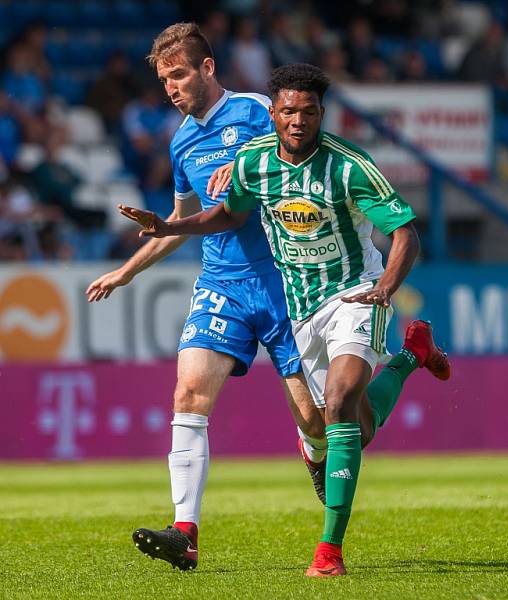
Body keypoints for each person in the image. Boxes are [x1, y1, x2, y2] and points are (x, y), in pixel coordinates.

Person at [119, 63, 451, 577]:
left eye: (310, 111)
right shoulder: (254, 162)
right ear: (274, 114)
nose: (298, 121)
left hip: (357, 294)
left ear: (322, 114)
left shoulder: (350, 166)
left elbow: (405, 232)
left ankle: (329, 551)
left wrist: (385, 287)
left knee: (339, 404)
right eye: (289, 111)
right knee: (351, 430)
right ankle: (412, 356)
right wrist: (170, 224)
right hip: (301, 307)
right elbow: (228, 214)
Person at [84, 23, 324, 572]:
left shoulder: (259, 112)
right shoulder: (181, 142)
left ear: (208, 68)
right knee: (189, 393)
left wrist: (243, 170)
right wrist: (126, 271)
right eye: (164, 78)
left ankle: (312, 448)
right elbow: (176, 222)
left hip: (286, 279)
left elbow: (302, 164)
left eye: (179, 74)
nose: (170, 87)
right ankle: (185, 532)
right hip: (222, 283)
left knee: (314, 419)